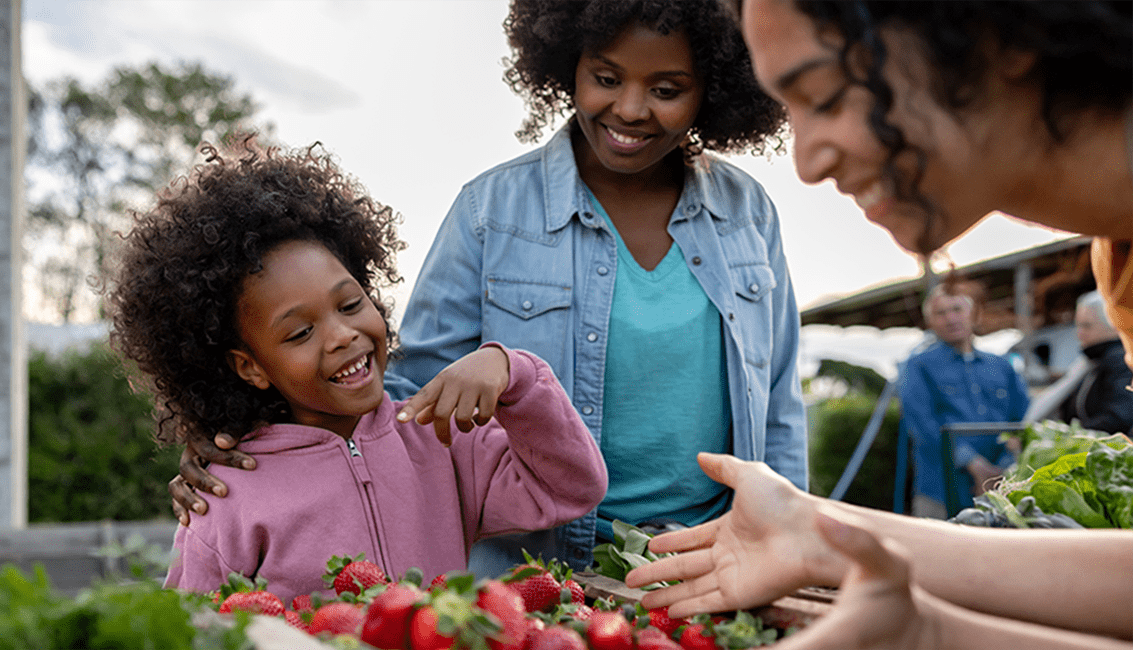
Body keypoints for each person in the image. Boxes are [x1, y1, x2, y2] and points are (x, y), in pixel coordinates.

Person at [169, 0, 808, 577]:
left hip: (714, 555)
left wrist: (793, 538)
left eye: (667, 89)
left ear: (714, 91)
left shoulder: (748, 214)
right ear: (568, 64)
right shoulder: (489, 211)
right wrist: (239, 429)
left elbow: (777, 404)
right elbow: (402, 397)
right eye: (606, 78)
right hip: (543, 564)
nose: (631, 108)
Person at [626, 0, 1132, 648]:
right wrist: (831, 550)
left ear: (997, 34)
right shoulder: (1117, 261)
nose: (807, 162)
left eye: (828, 96)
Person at [104, 137, 607, 602]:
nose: (343, 335)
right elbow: (192, 629)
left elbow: (571, 488)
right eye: (300, 333)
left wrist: (512, 371)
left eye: (349, 304)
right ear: (250, 368)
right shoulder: (226, 497)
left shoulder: (441, 437)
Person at [899, 282, 1029, 518]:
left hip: (1001, 488)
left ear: (973, 314)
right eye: (941, 313)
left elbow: (1023, 420)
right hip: (940, 491)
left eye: (957, 310)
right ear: (930, 322)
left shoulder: (1001, 367)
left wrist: (1002, 467)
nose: (951, 319)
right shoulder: (918, 366)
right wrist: (973, 464)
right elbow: (923, 425)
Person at [1056, 290, 1133, 434]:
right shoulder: (1093, 361)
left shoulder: (1120, 361)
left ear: (1113, 326)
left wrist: (1075, 437)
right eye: (1077, 326)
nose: (1079, 334)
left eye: (1087, 326)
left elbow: (1120, 416)